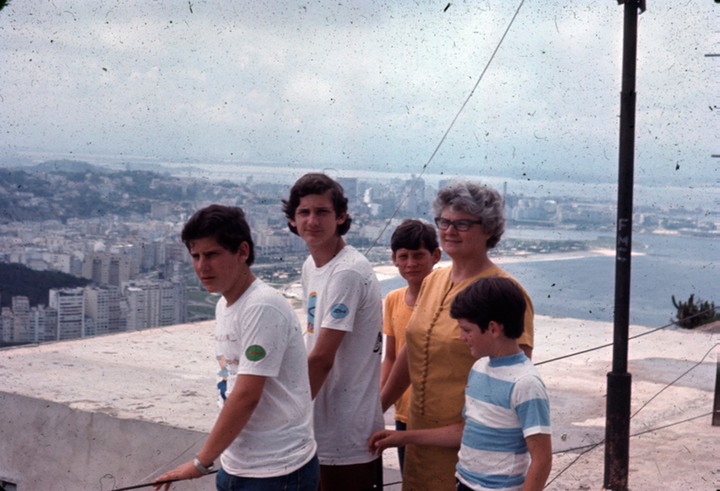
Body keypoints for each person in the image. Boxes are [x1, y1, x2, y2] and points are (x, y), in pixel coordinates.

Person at [380, 180, 535, 490]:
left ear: (489, 229)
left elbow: (511, 381)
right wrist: (376, 408)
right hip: (419, 440)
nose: (449, 230)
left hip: (473, 451)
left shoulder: (505, 292)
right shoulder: (432, 281)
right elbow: (412, 352)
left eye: (462, 223)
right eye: (444, 222)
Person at [154, 204, 318, 491]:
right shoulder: (225, 304)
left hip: (276, 471)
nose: (202, 266)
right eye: (196, 256)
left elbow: (246, 396)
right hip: (238, 465)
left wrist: (199, 463)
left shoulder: (262, 305)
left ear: (242, 252)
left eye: (212, 254)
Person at [369, 277, 552, 491]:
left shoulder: (526, 384)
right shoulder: (479, 369)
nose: (461, 337)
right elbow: (466, 430)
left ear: (493, 329)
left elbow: (542, 459)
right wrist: (403, 437)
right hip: (464, 484)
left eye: (466, 330)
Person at [282, 173, 385, 491]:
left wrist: (283, 418)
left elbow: (322, 358)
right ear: (293, 220)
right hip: (321, 426)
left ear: (340, 217)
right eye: (304, 212)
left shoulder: (347, 272)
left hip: (347, 435)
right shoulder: (312, 266)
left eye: (322, 212)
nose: (312, 220)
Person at [380, 219, 440, 473]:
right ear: (394, 259)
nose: (411, 263)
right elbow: (391, 357)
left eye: (418, 255)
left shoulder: (446, 299)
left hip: (438, 412)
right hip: (403, 412)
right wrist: (380, 401)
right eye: (403, 256)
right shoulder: (393, 299)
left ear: (435, 256)